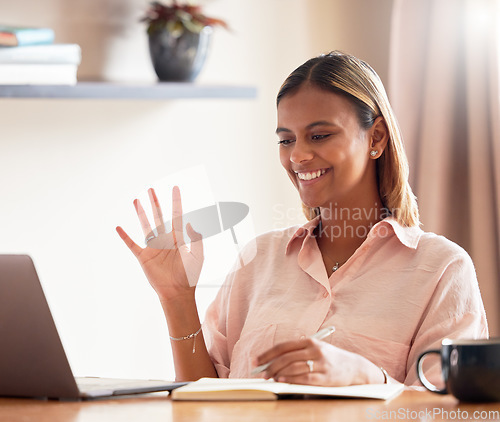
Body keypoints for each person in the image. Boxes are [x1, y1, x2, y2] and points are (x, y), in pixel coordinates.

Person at [116, 51, 488, 386]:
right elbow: (202, 400)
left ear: (375, 137)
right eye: (286, 140)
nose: (298, 156)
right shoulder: (257, 260)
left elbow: (446, 411)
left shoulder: (442, 269)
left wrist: (365, 377)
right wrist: (177, 298)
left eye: (319, 135)